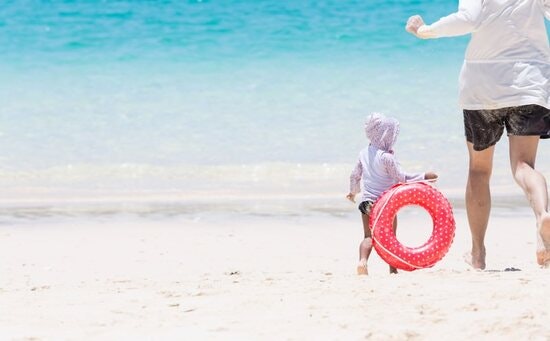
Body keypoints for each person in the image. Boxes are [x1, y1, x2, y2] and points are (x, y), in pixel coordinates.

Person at [406, 0, 550, 269]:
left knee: (479, 170)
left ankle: (478, 254)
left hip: (483, 87)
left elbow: (468, 18)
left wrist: (425, 30)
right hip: (531, 83)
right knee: (523, 166)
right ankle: (543, 213)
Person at [346, 113, 438, 275]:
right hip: (385, 204)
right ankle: (392, 269)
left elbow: (355, 175)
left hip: (366, 203)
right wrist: (424, 176)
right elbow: (402, 178)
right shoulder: (387, 158)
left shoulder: (363, 154)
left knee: (368, 237)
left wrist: (353, 192)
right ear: (386, 136)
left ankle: (362, 261)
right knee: (390, 239)